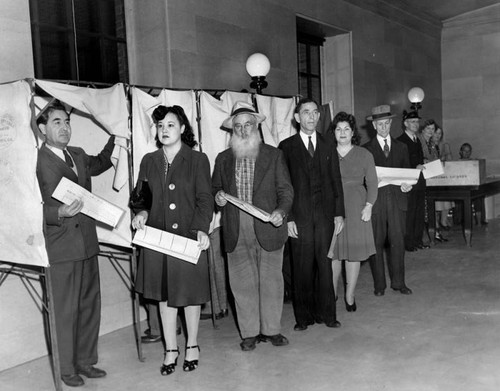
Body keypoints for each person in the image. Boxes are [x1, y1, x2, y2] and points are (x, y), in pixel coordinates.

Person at [36, 101, 114, 387]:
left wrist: (117, 135)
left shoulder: (78, 155)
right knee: (64, 309)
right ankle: (66, 368)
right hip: (61, 247)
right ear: (43, 128)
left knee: (89, 305)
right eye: (57, 122)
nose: (65, 127)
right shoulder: (34, 161)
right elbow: (26, 207)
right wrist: (58, 212)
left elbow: (104, 162)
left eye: (67, 121)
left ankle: (85, 361)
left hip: (87, 244)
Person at [131, 105, 213, 375]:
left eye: (170, 125)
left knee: (188, 295)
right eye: (160, 126)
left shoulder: (198, 160)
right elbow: (141, 197)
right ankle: (170, 349)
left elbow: (204, 200)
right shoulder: (148, 160)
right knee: (164, 296)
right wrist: (141, 213)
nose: (164, 130)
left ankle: (191, 345)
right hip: (157, 240)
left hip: (187, 238)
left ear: (183, 129)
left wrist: (201, 229)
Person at [212, 101, 293, 351]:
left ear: (256, 126)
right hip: (236, 225)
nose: (244, 130)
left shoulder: (274, 155)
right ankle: (249, 333)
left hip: (268, 224)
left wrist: (281, 212)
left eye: (248, 125)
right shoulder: (223, 159)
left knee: (271, 280)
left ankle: (272, 330)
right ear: (232, 131)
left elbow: (286, 191)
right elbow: (215, 188)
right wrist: (218, 197)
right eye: (238, 127)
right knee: (241, 282)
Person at [279, 98, 345, 331]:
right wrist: (288, 218)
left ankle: (328, 315)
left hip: (326, 217)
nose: (310, 116)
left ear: (319, 116)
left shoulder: (328, 145)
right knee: (302, 268)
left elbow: (336, 181)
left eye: (314, 112)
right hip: (299, 218)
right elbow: (283, 187)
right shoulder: (286, 147)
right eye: (305, 112)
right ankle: (303, 318)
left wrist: (339, 214)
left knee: (325, 266)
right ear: (297, 118)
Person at [329, 112, 377, 312]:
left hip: (357, 206)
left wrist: (369, 205)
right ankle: (331, 295)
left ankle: (350, 295)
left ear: (352, 132)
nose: (342, 133)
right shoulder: (327, 153)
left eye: (346, 129)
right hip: (332, 205)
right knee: (333, 253)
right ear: (333, 132)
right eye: (338, 129)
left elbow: (373, 182)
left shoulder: (364, 154)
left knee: (353, 254)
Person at [363, 105, 413, 296]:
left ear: (391, 123)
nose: (383, 127)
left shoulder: (402, 147)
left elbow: (407, 174)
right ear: (374, 126)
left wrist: (408, 185)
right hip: (376, 203)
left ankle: (399, 283)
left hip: (398, 202)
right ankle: (379, 286)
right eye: (379, 124)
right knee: (376, 243)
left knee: (398, 243)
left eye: (386, 123)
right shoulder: (366, 150)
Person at [397, 110, 428, 252]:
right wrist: (414, 167)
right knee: (410, 214)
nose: (416, 124)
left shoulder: (417, 139)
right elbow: (400, 163)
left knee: (419, 212)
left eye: (417, 121)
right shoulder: (400, 141)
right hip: (409, 183)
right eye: (413, 122)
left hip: (420, 182)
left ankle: (417, 240)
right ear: (405, 124)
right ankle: (408, 243)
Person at [432, 125, 454, 235]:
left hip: (444, 178)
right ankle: (435, 224)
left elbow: (450, 160)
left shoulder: (444, 145)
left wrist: (447, 155)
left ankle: (443, 221)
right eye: (436, 133)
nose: (437, 135)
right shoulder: (428, 145)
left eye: (440, 133)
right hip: (433, 178)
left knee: (446, 201)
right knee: (436, 203)